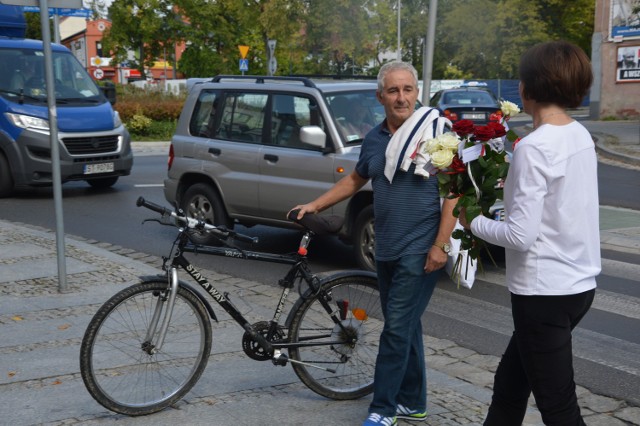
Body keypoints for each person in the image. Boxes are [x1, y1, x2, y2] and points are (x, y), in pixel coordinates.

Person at [289, 61, 457, 426]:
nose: (402, 98)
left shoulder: (435, 135)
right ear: (380, 96)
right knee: (406, 325)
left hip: (420, 248)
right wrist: (314, 205)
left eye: (408, 89)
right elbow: (354, 180)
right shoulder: (374, 140)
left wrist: (441, 244)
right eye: (393, 91)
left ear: (417, 93)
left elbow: (454, 193)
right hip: (385, 249)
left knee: (395, 328)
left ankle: (382, 409)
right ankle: (413, 402)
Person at [460, 41, 599, 425]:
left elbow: (520, 236)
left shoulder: (534, 147)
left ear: (525, 88)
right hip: (577, 284)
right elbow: (560, 205)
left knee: (559, 408)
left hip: (544, 292)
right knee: (510, 385)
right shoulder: (579, 135)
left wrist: (471, 220)